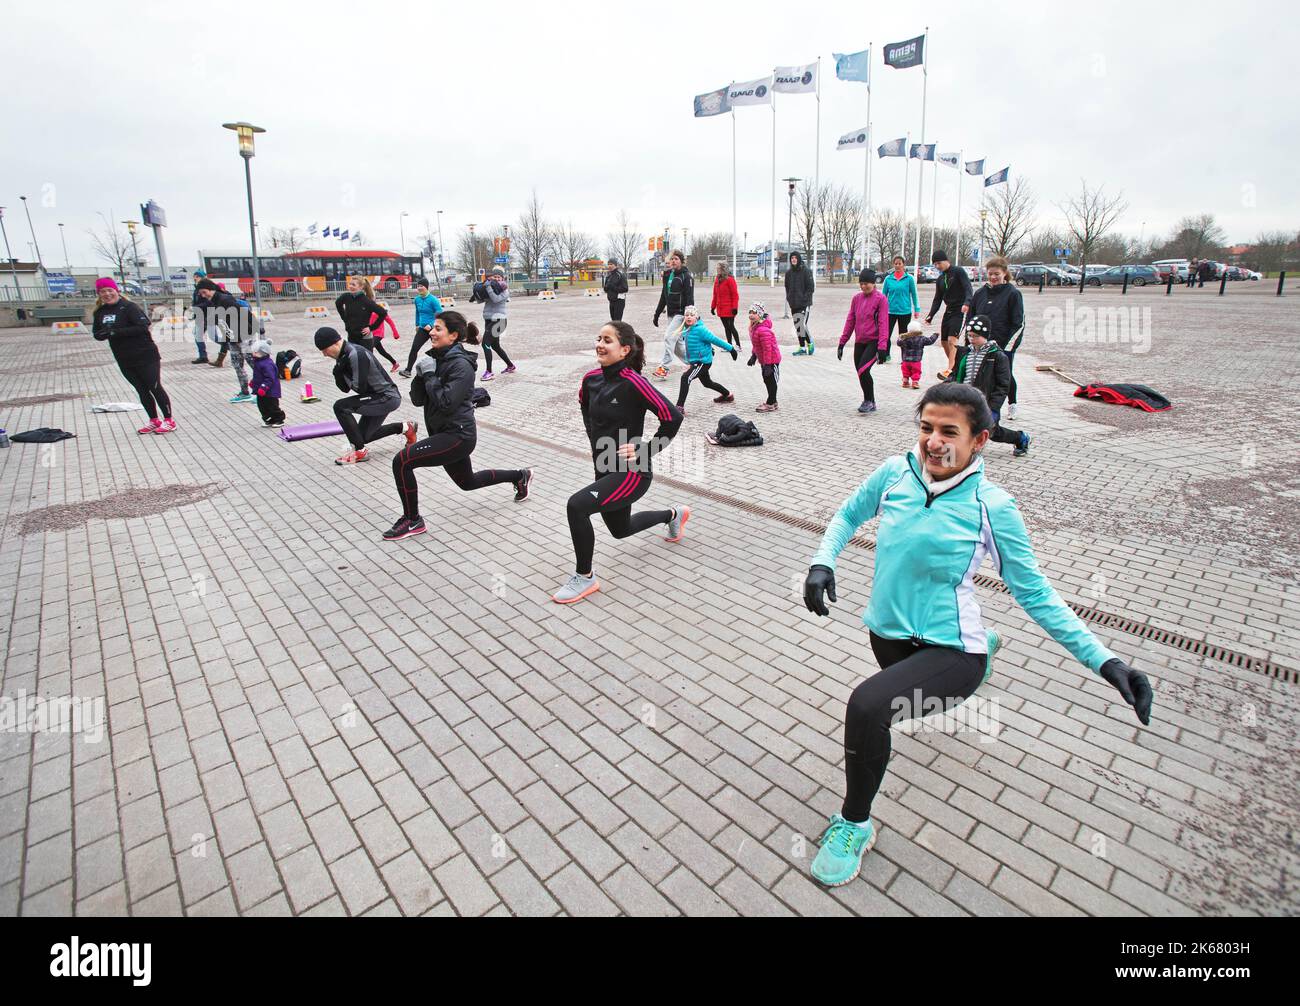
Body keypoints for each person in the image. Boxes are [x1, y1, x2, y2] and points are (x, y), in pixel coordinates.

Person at [801, 381, 1153, 887]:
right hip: (887, 637)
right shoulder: (894, 473)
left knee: (868, 707)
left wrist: (1106, 661)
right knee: (891, 691)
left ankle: (854, 824)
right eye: (926, 428)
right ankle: (986, 646)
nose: (933, 441)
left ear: (980, 440)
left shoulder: (994, 506)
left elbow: (1035, 594)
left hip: (949, 650)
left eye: (949, 431)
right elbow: (847, 514)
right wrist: (821, 561)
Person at [554, 321, 686, 604]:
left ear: (625, 349)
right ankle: (674, 515)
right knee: (620, 529)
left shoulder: (634, 382)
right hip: (604, 467)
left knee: (577, 506)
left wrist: (647, 450)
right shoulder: (590, 379)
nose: (600, 344)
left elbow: (672, 417)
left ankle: (585, 578)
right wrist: (594, 441)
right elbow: (584, 406)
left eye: (608, 340)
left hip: (632, 473)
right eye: (599, 338)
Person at [384, 311, 532, 541]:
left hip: (457, 436)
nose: (431, 332)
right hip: (443, 432)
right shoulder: (436, 359)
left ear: (453, 335)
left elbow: (446, 403)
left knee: (402, 462)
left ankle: (413, 520)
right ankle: (519, 476)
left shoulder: (461, 366)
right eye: (433, 328)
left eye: (438, 329)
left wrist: (431, 375)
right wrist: (422, 376)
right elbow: (417, 399)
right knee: (467, 482)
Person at [314, 326, 413, 465]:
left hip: (386, 397)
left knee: (341, 407)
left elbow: (360, 387)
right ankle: (406, 427)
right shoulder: (342, 356)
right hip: (375, 397)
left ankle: (359, 451)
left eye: (325, 350)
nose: (324, 354)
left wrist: (343, 368)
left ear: (335, 343)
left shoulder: (355, 354)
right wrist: (338, 372)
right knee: (362, 436)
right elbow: (344, 389)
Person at [91, 278, 174, 434]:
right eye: (103, 291)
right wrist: (103, 334)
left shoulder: (129, 307)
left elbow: (143, 326)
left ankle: (169, 420)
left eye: (110, 290)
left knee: (154, 387)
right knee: (141, 390)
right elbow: (96, 333)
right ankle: (154, 420)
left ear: (116, 291)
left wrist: (116, 332)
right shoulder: (100, 312)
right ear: (99, 294)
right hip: (124, 357)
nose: (107, 294)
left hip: (145, 354)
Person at [946, 314, 1030, 456]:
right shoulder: (965, 353)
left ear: (985, 336)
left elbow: (1004, 384)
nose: (971, 339)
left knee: (992, 432)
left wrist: (994, 407)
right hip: (965, 399)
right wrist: (945, 387)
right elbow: (955, 374)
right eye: (969, 336)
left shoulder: (997, 356)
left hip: (986, 402)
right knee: (962, 425)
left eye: (975, 336)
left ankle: (1020, 437)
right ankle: (964, 449)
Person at [968, 256, 1025, 420]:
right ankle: (980, 405)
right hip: (981, 343)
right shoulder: (980, 293)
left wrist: (1008, 346)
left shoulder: (1013, 294)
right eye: (990, 274)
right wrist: (969, 341)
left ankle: (1012, 403)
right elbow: (971, 318)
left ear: (1004, 273)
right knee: (980, 373)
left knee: (1004, 376)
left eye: (997, 274)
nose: (993, 277)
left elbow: (1018, 322)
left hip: (1003, 344)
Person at [195, 278, 257, 403]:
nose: (203, 295)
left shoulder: (225, 299)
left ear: (211, 289)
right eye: (201, 293)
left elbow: (243, 316)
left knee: (253, 364)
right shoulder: (213, 301)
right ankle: (245, 392)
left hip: (244, 335)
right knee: (237, 365)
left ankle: (261, 392)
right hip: (232, 337)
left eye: (204, 292)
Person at [837, 269, 890, 414]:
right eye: (861, 284)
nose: (863, 286)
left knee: (863, 369)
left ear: (873, 283)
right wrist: (842, 342)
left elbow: (884, 323)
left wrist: (882, 347)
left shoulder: (881, 299)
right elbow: (850, 320)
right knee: (860, 372)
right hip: (860, 341)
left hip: (874, 341)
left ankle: (869, 401)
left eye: (866, 283)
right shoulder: (856, 299)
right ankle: (869, 400)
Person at [675, 305, 737, 413]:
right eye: (687, 315)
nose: (689, 317)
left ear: (697, 317)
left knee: (685, 378)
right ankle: (728, 395)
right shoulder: (687, 328)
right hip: (696, 361)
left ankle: (679, 407)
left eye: (692, 315)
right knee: (707, 383)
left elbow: (715, 339)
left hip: (702, 362)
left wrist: (731, 349)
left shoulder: (701, 329)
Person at [924, 249, 974, 379]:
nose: (937, 266)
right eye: (934, 264)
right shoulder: (940, 278)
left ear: (946, 261)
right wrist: (930, 315)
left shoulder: (958, 272)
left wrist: (967, 303)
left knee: (953, 340)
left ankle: (950, 370)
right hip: (949, 310)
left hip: (960, 310)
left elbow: (968, 288)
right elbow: (937, 298)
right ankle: (956, 366)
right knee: (944, 342)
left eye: (939, 263)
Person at [651, 250, 693, 380]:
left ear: (681, 261)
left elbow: (689, 298)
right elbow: (664, 296)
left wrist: (690, 315)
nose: (673, 261)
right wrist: (657, 314)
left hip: (681, 314)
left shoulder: (687, 276)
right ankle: (693, 363)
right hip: (671, 313)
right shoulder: (668, 275)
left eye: (676, 259)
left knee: (669, 338)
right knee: (677, 345)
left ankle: (664, 368)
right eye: (672, 259)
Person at [881, 254, 919, 366]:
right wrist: (880, 309)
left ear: (903, 265)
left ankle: (904, 356)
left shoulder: (909, 279)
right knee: (886, 334)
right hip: (890, 312)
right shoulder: (888, 279)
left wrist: (916, 309)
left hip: (905, 311)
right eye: (895, 263)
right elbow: (883, 295)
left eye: (899, 263)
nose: (897, 265)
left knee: (903, 336)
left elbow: (914, 294)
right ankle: (885, 355)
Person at [400, 278, 442, 378]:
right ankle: (408, 370)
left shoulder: (433, 300)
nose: (419, 288)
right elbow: (417, 313)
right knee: (414, 348)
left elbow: (440, 314)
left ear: (426, 287)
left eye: (421, 286)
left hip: (434, 329)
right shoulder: (417, 299)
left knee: (439, 349)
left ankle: (443, 369)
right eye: (418, 286)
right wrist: (417, 324)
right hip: (422, 329)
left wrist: (431, 325)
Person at [335, 275, 387, 350]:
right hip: (351, 336)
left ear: (361, 287)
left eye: (353, 284)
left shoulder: (366, 301)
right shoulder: (346, 297)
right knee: (354, 359)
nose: (351, 286)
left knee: (366, 360)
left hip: (365, 338)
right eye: (350, 284)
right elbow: (338, 303)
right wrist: (344, 318)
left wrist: (371, 327)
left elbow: (383, 313)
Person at [480, 266, 514, 380]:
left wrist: (488, 287)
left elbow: (495, 299)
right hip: (489, 319)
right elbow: (482, 299)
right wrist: (479, 291)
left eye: (499, 277)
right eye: (495, 276)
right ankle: (510, 365)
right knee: (495, 346)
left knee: (485, 343)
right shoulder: (491, 287)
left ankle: (489, 372)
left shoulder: (505, 290)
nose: (497, 279)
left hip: (499, 321)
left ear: (502, 278)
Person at [747, 302, 781, 413]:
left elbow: (767, 349)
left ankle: (770, 403)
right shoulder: (754, 327)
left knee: (771, 381)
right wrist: (753, 355)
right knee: (767, 380)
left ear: (760, 314)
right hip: (764, 360)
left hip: (771, 360)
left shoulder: (763, 330)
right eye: (750, 312)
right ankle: (773, 401)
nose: (751, 315)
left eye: (754, 313)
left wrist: (768, 365)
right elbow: (757, 345)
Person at [248, 339, 285, 428]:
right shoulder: (258, 362)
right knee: (262, 405)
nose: (253, 354)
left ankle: (279, 418)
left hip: (270, 391)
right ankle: (268, 418)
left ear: (262, 353)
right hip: (261, 390)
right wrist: (253, 382)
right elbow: (258, 375)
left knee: (272, 405)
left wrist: (264, 387)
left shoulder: (267, 364)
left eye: (256, 352)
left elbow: (270, 378)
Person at [784, 251, 816, 355]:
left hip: (804, 303)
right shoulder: (788, 273)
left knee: (802, 324)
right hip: (794, 303)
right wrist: (789, 298)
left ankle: (810, 342)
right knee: (797, 326)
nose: (793, 259)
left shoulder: (806, 271)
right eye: (792, 258)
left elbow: (811, 287)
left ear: (798, 259)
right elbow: (787, 287)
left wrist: (804, 299)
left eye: (795, 258)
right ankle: (802, 347)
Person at [896, 319, 938, 390]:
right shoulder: (922, 338)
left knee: (905, 371)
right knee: (916, 371)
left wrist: (900, 337)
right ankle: (915, 382)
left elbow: (898, 343)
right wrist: (935, 335)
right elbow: (930, 341)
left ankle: (905, 381)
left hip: (905, 361)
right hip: (916, 361)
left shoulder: (905, 338)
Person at [710, 260, 741, 349]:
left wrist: (735, 307)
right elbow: (715, 294)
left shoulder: (730, 280)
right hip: (721, 308)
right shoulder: (717, 279)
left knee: (731, 327)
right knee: (726, 327)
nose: (717, 270)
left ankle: (738, 345)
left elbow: (735, 295)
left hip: (730, 308)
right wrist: (713, 306)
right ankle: (729, 345)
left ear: (723, 269)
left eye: (719, 268)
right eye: (717, 268)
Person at [189, 270, 210, 364]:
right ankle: (203, 355)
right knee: (198, 335)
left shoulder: (204, 288)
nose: (194, 278)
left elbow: (208, 302)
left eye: (196, 276)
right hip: (200, 315)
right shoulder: (197, 288)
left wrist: (195, 307)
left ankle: (203, 356)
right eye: (195, 276)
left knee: (201, 336)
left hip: (205, 315)